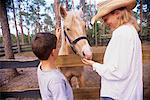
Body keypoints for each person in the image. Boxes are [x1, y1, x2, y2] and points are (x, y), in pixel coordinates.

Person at [82, 0, 143, 100]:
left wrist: (94, 65)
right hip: (125, 93)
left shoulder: (121, 33)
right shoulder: (130, 31)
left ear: (117, 14)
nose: (105, 23)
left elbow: (118, 72)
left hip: (116, 94)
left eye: (106, 19)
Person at [32, 28, 73, 100]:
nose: (58, 49)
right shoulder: (56, 81)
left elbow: (44, 48)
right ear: (53, 52)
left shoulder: (41, 67)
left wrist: (56, 37)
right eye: (57, 47)